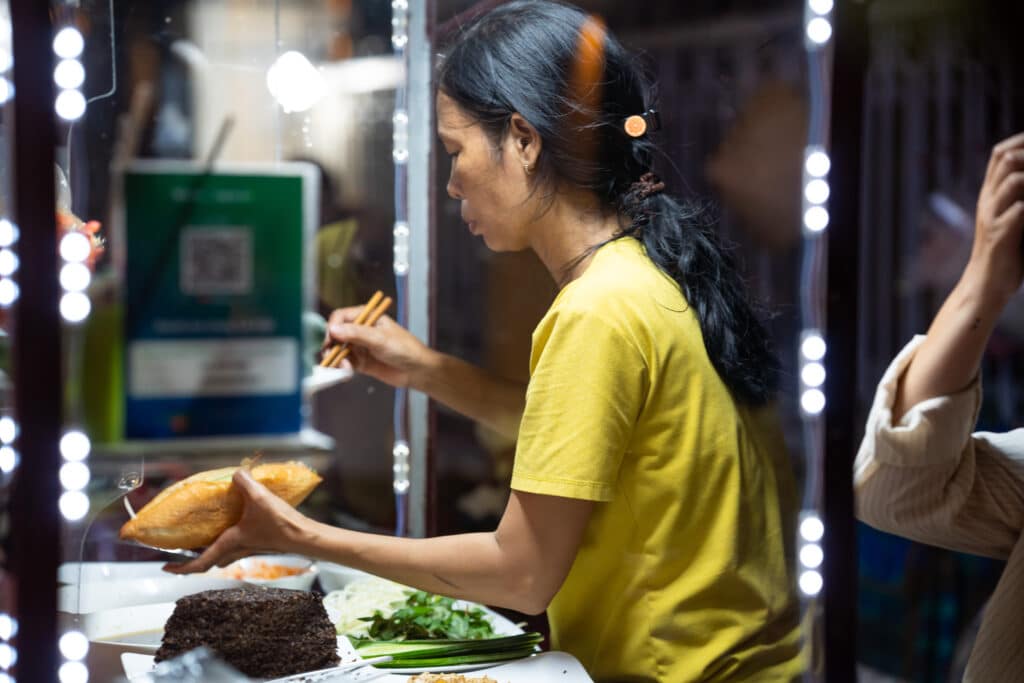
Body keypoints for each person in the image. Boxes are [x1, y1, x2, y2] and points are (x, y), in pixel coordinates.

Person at [169, 2, 803, 679]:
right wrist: (424, 368)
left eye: (455, 150)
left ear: (524, 141)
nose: (449, 184)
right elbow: (590, 449)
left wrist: (302, 536)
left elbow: (521, 572)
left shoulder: (596, 310)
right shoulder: (649, 273)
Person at [855, 131, 1024, 682]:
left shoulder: (1005, 374)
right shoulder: (955, 336)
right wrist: (984, 282)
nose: (921, 245)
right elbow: (895, 491)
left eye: (936, 232)